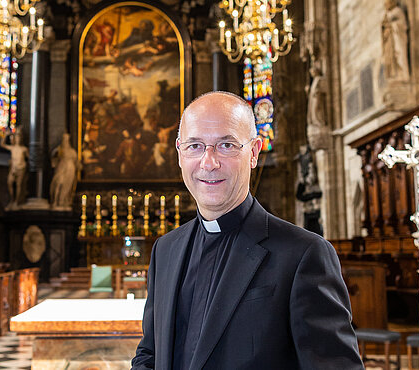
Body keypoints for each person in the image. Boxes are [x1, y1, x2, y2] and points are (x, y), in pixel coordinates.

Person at [132, 91, 363, 369]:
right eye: (195, 146)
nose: (209, 162)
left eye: (226, 145)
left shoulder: (303, 254)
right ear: (180, 153)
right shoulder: (166, 250)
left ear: (253, 152)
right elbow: (150, 353)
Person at [0, 130, 29, 209]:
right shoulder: (12, 148)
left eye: (19, 137)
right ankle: (12, 199)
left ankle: (17, 201)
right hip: (13, 169)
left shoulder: (24, 149)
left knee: (19, 184)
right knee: (10, 182)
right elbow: (2, 144)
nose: (17, 139)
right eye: (16, 137)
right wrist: (5, 135)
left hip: (21, 168)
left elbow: (29, 158)